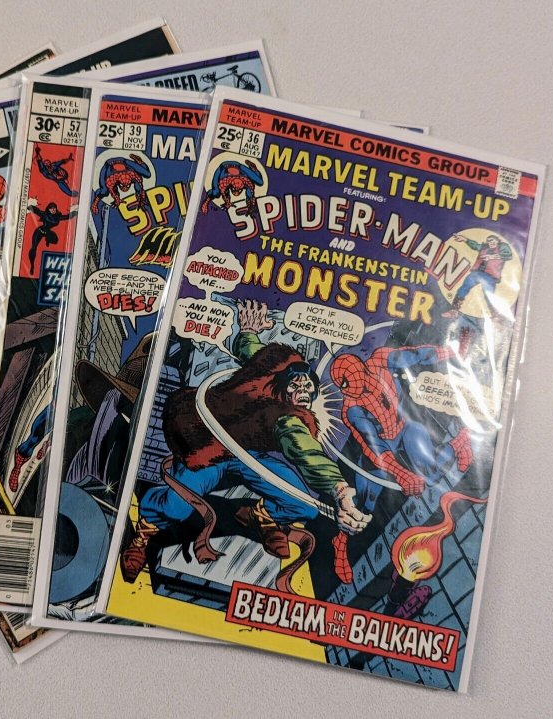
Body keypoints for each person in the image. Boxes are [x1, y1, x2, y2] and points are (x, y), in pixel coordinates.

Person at [120, 300, 371, 583]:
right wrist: (248, 330)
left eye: (307, 386)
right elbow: (252, 354)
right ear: (281, 383)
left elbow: (305, 450)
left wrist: (338, 490)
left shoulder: (291, 418)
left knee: (303, 506)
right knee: (176, 507)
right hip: (208, 446)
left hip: (248, 456)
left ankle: (258, 515)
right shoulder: (272, 392)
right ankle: (144, 533)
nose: (302, 388)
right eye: (296, 383)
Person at [329, 345, 473, 582]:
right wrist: (402, 474)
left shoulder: (382, 359)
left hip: (404, 427)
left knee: (430, 473)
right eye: (345, 387)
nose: (355, 390)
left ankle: (460, 443)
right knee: (362, 507)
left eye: (356, 380)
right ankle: (341, 541)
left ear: (363, 368)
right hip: (379, 451)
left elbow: (417, 354)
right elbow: (374, 446)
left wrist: (451, 350)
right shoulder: (352, 409)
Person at [442, 234, 512, 318]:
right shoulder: (484, 247)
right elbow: (475, 245)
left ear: (497, 241)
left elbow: (508, 255)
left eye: (492, 240)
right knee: (464, 287)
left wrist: (492, 257)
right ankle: (454, 310)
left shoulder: (502, 246)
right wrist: (465, 239)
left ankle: (495, 316)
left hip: (490, 276)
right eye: (488, 241)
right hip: (477, 273)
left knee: (489, 295)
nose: (490, 242)